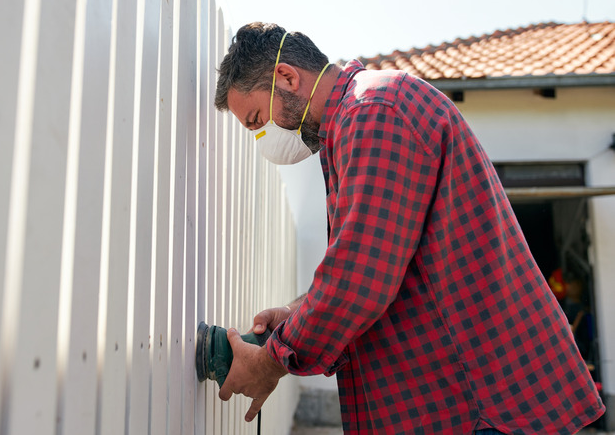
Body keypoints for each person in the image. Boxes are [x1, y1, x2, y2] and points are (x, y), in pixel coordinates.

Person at [213, 22, 605, 434]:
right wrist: (295, 313)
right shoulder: (359, 119)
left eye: (257, 119)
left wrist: (270, 361)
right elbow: (386, 259)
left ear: (287, 77)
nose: (264, 138)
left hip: (481, 407)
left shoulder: (372, 111)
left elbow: (360, 279)